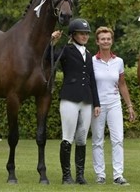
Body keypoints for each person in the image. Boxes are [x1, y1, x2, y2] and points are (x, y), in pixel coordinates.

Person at [50, 18, 100, 185]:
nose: (85, 36)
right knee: (68, 137)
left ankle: (80, 175)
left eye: (86, 34)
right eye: (81, 33)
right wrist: (52, 44)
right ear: (73, 35)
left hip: (86, 100)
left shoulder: (89, 54)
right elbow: (50, 59)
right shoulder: (66, 49)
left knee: (82, 138)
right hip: (69, 98)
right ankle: (66, 176)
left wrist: (97, 103)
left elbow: (92, 79)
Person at [91, 26, 136, 186]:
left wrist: (129, 106)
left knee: (118, 139)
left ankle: (118, 175)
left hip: (114, 104)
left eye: (108, 38)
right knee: (97, 140)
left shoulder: (119, 61)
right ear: (97, 41)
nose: (106, 41)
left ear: (112, 41)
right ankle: (100, 175)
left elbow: (122, 84)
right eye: (102, 38)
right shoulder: (92, 61)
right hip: (97, 106)